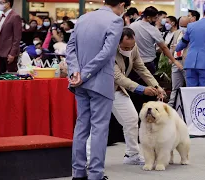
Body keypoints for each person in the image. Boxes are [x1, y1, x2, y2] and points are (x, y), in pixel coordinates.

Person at [66, 0, 130, 179]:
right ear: (122, 4)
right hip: (99, 82)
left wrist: (75, 72)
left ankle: (78, 173)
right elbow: (107, 53)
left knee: (81, 127)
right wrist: (84, 74)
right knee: (99, 130)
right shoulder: (116, 20)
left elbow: (70, 48)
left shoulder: (84, 18)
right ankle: (95, 174)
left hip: (79, 82)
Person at [86, 27, 166, 166]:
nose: (129, 49)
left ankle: (132, 154)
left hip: (118, 90)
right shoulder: (107, 50)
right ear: (117, 42)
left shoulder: (133, 47)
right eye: (125, 47)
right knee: (97, 125)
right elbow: (118, 77)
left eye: (131, 46)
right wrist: (142, 89)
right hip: (100, 90)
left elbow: (141, 67)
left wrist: (156, 85)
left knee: (131, 119)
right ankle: (88, 160)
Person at [129, 6, 183, 76]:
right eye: (155, 18)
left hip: (133, 62)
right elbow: (164, 47)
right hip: (147, 63)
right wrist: (174, 60)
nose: (156, 20)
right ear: (148, 17)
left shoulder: (132, 26)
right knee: (150, 85)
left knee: (133, 85)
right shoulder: (153, 30)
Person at [175, 6, 205, 87]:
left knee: (191, 93)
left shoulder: (191, 26)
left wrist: (176, 48)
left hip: (190, 63)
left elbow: (183, 42)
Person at [168, 16, 190, 107]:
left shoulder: (192, 33)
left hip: (186, 63)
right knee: (175, 88)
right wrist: (170, 57)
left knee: (189, 87)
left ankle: (188, 106)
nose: (183, 28)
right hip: (176, 62)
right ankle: (171, 106)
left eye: (185, 26)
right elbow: (172, 46)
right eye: (181, 25)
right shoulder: (176, 33)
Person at [0, 0, 22, 73]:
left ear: (8, 4)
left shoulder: (15, 16)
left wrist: (12, 53)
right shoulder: (1, 17)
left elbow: (17, 38)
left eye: (1, 2)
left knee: (11, 77)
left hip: (9, 53)